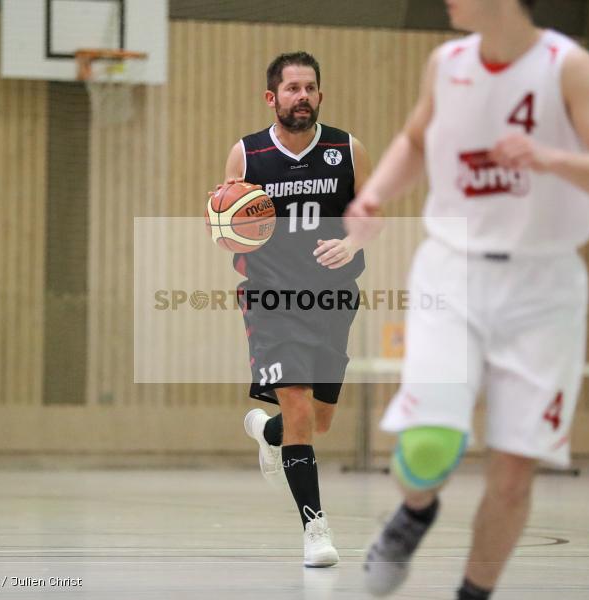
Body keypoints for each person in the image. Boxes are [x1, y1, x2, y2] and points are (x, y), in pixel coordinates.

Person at [344, 0, 589, 597]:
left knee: (511, 475)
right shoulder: (445, 62)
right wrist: (374, 197)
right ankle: (414, 511)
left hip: (543, 289)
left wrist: (550, 157)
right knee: (429, 442)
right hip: (453, 275)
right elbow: (415, 140)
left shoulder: (568, 66)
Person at [210, 51, 372, 567]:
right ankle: (315, 530)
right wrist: (245, 252)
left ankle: (267, 432)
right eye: (292, 88)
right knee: (299, 406)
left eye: (310, 88)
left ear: (320, 95)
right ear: (272, 97)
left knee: (317, 422)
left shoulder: (347, 149)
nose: (301, 96)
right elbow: (229, 235)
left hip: (333, 298)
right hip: (273, 300)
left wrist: (350, 244)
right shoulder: (247, 155)